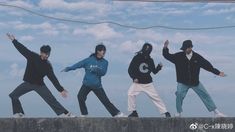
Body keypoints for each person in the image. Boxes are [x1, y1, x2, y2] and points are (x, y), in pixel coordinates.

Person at [7, 33, 75, 118]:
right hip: (28, 83)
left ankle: (66, 113)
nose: (46, 55)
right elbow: (22, 49)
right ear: (41, 52)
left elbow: (53, 78)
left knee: (51, 99)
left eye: (48, 54)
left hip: (39, 85)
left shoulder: (47, 65)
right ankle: (19, 113)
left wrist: (60, 89)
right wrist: (14, 41)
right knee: (13, 95)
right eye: (45, 53)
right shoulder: (32, 56)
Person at [162, 40, 226, 117]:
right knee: (179, 94)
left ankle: (216, 112)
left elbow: (208, 66)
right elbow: (167, 56)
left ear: (191, 47)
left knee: (205, 95)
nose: (185, 50)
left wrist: (218, 72)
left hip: (195, 82)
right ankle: (179, 112)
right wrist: (165, 47)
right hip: (182, 82)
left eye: (186, 48)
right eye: (184, 49)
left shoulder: (197, 57)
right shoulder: (178, 56)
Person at [62, 44, 125, 117]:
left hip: (97, 85)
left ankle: (117, 113)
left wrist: (96, 69)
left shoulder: (105, 62)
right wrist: (69, 68)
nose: (104, 52)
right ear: (98, 51)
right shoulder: (88, 60)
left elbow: (103, 73)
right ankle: (84, 114)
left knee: (105, 101)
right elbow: (78, 64)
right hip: (86, 84)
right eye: (102, 51)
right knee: (80, 96)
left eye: (105, 51)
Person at [127, 42, 171, 117]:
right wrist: (134, 78)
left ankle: (165, 112)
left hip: (148, 83)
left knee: (155, 97)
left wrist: (159, 67)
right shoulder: (137, 57)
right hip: (138, 83)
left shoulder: (150, 60)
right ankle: (134, 112)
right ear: (143, 49)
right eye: (146, 49)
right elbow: (130, 69)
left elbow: (154, 71)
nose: (147, 51)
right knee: (130, 94)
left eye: (148, 49)